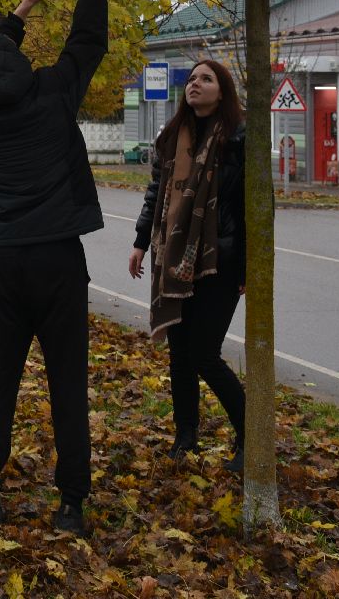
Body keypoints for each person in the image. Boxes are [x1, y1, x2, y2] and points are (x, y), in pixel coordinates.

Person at [0, 0, 107, 535]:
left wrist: (22, 7)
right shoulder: (50, 95)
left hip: (7, 262)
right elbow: (87, 45)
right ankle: (71, 504)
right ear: (21, 63)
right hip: (57, 262)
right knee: (67, 382)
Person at [130, 59, 247, 472]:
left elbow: (254, 207)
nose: (195, 84)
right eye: (193, 78)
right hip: (173, 257)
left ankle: (251, 436)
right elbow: (156, 193)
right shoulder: (172, 137)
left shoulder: (238, 138)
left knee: (204, 353)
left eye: (206, 78)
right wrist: (142, 242)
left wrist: (248, 268)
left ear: (223, 90)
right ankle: (185, 438)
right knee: (180, 354)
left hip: (220, 260)